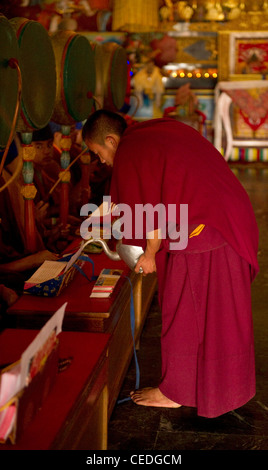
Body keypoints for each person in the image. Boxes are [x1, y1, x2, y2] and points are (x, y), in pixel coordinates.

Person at [82, 109, 259, 418]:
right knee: (220, 314)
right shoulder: (153, 132)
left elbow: (151, 211)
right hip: (228, 217)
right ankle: (222, 387)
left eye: (99, 154)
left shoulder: (131, 150)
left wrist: (149, 255)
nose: (103, 162)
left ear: (111, 140)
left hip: (204, 231)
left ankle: (174, 390)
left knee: (183, 309)